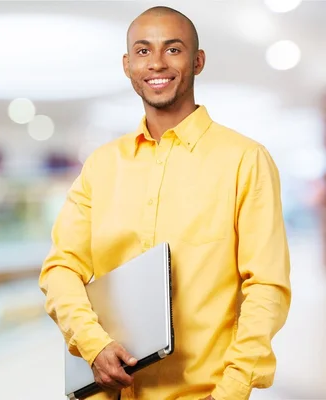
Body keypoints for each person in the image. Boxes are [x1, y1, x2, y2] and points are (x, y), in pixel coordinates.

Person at [39, 6, 291, 400]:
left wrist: (233, 389)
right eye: (142, 51)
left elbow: (266, 287)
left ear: (198, 60)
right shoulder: (102, 166)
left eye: (173, 49)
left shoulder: (244, 159)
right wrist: (93, 344)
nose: (156, 62)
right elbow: (60, 268)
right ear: (127, 65)